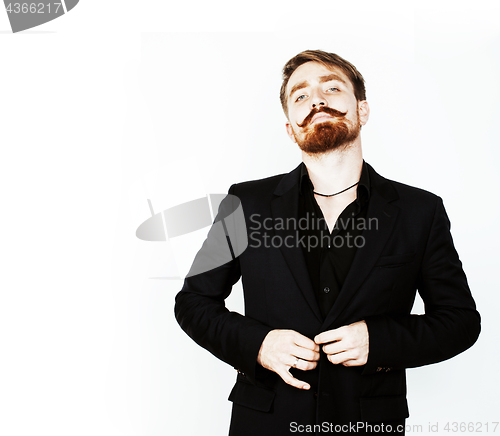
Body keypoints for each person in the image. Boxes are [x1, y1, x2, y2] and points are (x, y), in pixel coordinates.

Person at [174, 50, 480, 435]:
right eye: (300, 96)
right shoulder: (244, 203)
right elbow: (192, 302)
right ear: (290, 128)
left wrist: (380, 341)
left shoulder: (421, 211)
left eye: (332, 88)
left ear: (362, 110)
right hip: (266, 422)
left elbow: (460, 321)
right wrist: (259, 345)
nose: (317, 99)